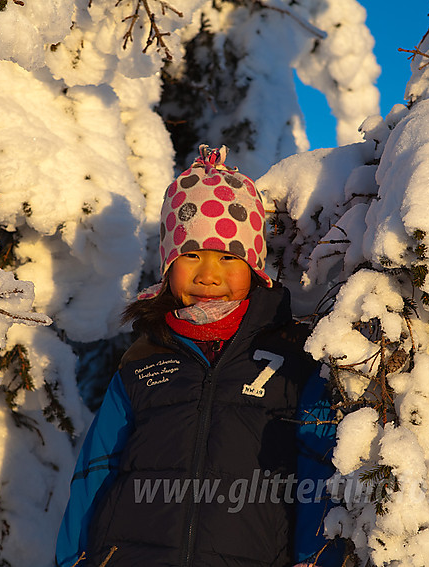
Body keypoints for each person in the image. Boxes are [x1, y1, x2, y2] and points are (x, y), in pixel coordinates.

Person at [56, 146, 341, 567]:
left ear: (254, 268)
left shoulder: (294, 358)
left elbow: (317, 473)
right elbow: (95, 471)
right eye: (191, 255)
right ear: (169, 264)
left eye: (228, 257)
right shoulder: (144, 358)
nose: (208, 275)